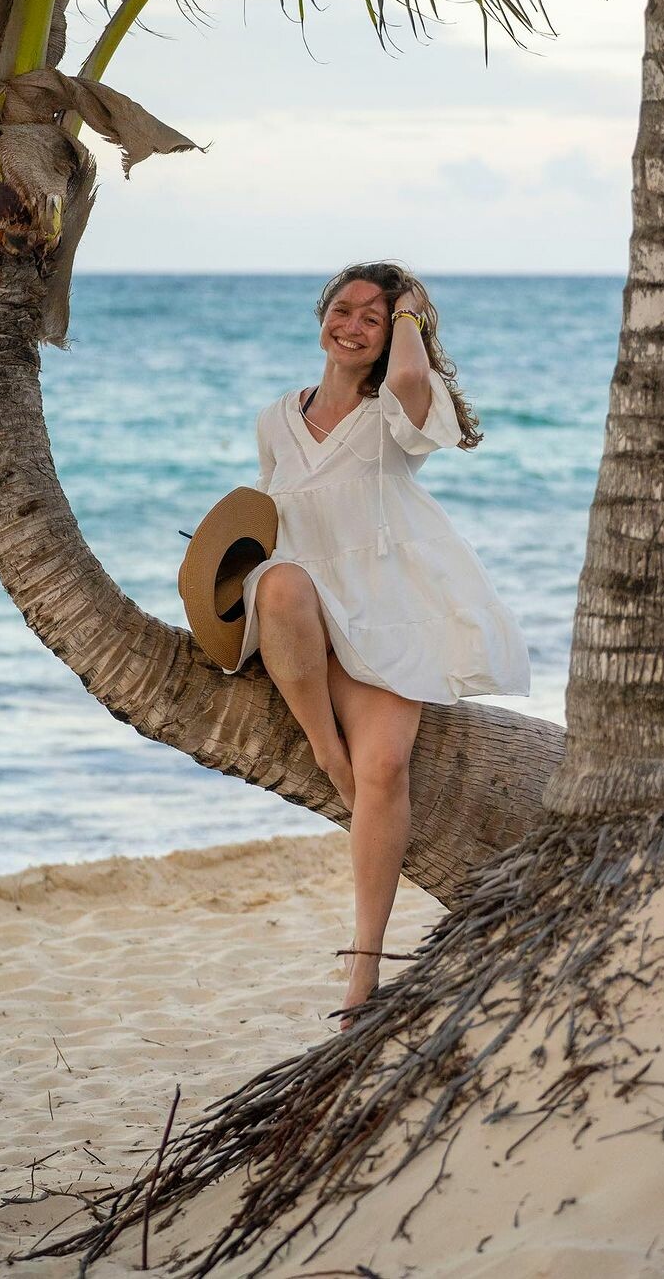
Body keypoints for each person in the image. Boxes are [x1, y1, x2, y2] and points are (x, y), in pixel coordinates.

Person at [228, 261, 531, 1029]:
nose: (354, 325)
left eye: (374, 315)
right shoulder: (275, 418)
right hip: (303, 613)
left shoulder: (398, 406)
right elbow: (266, 517)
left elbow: (407, 376)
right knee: (281, 584)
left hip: (387, 608)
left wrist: (410, 312)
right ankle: (323, 747)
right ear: (320, 315)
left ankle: (362, 968)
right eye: (344, 309)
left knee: (387, 769)